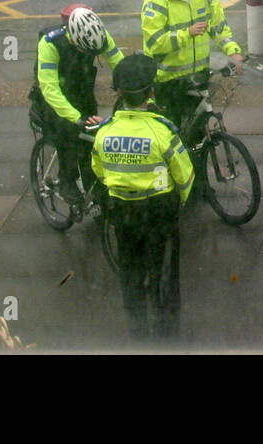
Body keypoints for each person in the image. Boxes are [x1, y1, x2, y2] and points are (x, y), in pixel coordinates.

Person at [91, 54, 193, 342]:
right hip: (159, 212)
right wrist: (179, 201)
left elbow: (100, 171)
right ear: (151, 92)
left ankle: (137, 332)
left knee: (131, 272)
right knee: (164, 273)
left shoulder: (104, 134)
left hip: (123, 212)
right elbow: (185, 177)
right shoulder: (162, 132)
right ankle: (166, 336)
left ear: (119, 94)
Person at [141, 0, 245, 137]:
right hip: (169, 83)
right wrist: (186, 34)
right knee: (170, 140)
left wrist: (234, 52)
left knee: (198, 136)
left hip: (197, 78)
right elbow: (154, 44)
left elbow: (218, 27)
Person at [29, 7, 124, 206]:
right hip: (54, 99)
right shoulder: (50, 44)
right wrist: (75, 118)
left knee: (93, 140)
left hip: (81, 93)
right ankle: (66, 180)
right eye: (85, 51)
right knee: (68, 135)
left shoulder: (99, 37)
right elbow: (50, 89)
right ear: (73, 37)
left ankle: (92, 189)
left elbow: (119, 63)